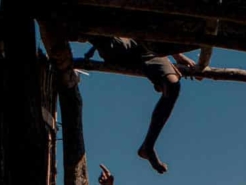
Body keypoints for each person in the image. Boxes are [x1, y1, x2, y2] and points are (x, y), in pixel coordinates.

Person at [84, 37, 197, 174]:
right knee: (110, 40)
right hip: (121, 40)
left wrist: (177, 56)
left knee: (173, 85)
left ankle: (148, 146)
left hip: (147, 46)